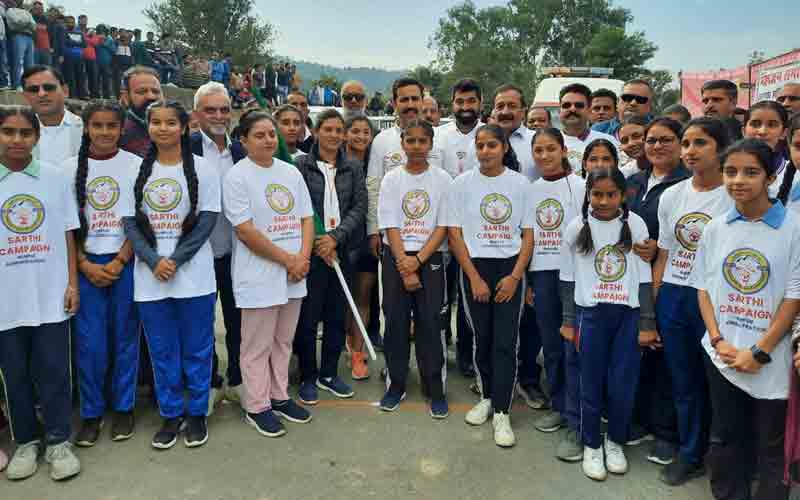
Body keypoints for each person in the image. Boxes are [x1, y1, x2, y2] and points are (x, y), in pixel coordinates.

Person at [691, 138, 800, 500]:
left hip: (771, 357)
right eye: (731, 171)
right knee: (726, 436)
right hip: (721, 355)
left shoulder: (794, 228)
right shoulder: (715, 228)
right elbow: (703, 289)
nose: (738, 180)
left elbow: (794, 296)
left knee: (771, 444)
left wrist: (760, 350)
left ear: (770, 177)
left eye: (751, 172)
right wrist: (717, 340)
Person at [121, 100, 220, 449]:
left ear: (183, 127)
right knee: (162, 351)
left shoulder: (204, 169)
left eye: (170, 123)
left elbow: (207, 221)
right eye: (156, 122)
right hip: (151, 279)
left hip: (195, 277)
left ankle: (197, 413)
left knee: (198, 348)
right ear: (148, 126)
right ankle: (171, 413)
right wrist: (153, 260)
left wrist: (175, 260)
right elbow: (129, 223)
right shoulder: (135, 170)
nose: (163, 129)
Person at [0, 105, 81, 481]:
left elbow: (67, 232)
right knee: (14, 374)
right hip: (6, 299)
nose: (17, 140)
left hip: (49, 293)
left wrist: (72, 283)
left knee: (54, 371)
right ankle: (26, 442)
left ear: (37, 137)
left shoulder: (53, 177)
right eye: (8, 132)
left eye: (25, 133)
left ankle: (59, 441)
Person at [222, 110, 314, 437]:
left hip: (294, 273)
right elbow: (245, 231)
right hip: (259, 274)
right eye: (259, 135)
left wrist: (303, 258)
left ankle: (279, 396)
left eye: (271, 134)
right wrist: (288, 260)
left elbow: (306, 218)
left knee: (283, 340)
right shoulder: (237, 176)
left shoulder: (290, 172)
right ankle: (257, 405)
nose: (268, 140)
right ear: (243, 140)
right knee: (256, 345)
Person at [561, 167, 655, 481]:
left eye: (611, 194)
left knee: (622, 384)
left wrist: (647, 322)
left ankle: (615, 441)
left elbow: (644, 278)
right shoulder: (576, 226)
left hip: (627, 317)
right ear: (588, 194)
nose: (603, 201)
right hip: (590, 316)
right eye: (597, 194)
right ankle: (591, 443)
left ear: (623, 195)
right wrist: (568, 321)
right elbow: (567, 277)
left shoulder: (635, 224)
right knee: (589, 382)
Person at [653, 117, 733, 486]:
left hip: (718, 300)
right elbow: (665, 254)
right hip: (675, 295)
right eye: (686, 143)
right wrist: (652, 308)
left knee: (720, 382)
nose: (690, 151)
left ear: (721, 148)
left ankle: (726, 454)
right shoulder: (672, 196)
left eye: (700, 143)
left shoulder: (734, 194)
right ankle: (690, 453)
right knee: (683, 380)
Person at [445, 124, 534, 447]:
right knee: (481, 338)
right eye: (480, 145)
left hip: (509, 268)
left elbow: (528, 235)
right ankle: (486, 397)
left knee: (505, 341)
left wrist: (514, 277)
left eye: (492, 145)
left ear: (504, 148)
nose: (485, 151)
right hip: (476, 268)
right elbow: (454, 234)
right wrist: (473, 277)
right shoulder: (461, 184)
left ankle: (502, 411)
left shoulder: (521, 184)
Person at [68, 100, 142, 447]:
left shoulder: (136, 165)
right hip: (85, 263)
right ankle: (91, 412)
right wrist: (83, 264)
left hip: (124, 261)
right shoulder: (67, 168)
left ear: (122, 128)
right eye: (97, 125)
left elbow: (142, 220)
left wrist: (121, 260)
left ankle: (124, 406)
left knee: (125, 337)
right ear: (86, 128)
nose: (105, 132)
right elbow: (65, 227)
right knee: (90, 344)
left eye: (112, 126)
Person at [292, 109, 367, 404]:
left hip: (342, 251)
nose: (334, 135)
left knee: (337, 316)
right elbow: (299, 208)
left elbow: (359, 207)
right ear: (316, 132)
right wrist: (318, 243)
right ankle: (308, 376)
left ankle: (329, 373)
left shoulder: (353, 167)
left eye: (339, 130)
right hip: (312, 252)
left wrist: (335, 238)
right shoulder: (300, 166)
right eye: (328, 129)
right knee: (309, 318)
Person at [626, 117, 689, 466]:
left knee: (663, 353)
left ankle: (666, 432)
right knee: (637, 351)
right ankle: (639, 418)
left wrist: (657, 250)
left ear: (680, 144)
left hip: (666, 278)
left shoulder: (686, 185)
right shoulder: (634, 181)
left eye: (666, 140)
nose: (657, 146)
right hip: (627, 280)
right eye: (652, 140)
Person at [377, 119, 450, 415]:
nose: (417, 146)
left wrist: (418, 261)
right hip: (396, 256)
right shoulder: (391, 179)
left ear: (431, 144)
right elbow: (390, 224)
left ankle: (434, 388)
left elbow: (443, 226)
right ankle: (396, 384)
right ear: (402, 144)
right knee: (395, 322)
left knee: (430, 323)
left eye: (422, 141)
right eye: (411, 141)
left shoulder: (443, 179)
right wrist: (405, 266)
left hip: (430, 256)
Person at [527, 128, 586, 461]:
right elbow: (527, 237)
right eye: (538, 150)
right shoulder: (530, 190)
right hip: (543, 274)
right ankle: (559, 406)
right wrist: (529, 281)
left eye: (551, 148)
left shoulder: (581, 186)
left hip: (576, 276)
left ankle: (579, 414)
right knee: (551, 346)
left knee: (574, 346)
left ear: (564, 150)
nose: (544, 155)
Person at [190, 82, 247, 413]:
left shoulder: (241, 151)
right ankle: (210, 382)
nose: (218, 116)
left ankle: (238, 380)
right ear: (196, 114)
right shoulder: (185, 149)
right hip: (198, 255)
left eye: (224, 109)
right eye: (210, 110)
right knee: (203, 324)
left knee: (238, 321)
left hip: (237, 253)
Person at [433, 78, 483, 377]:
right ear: (452, 104)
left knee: (467, 295)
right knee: (441, 293)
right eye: (460, 101)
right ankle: (440, 348)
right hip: (442, 226)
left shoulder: (489, 135)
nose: (465, 107)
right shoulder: (439, 136)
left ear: (480, 103)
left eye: (471, 101)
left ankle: (466, 354)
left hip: (476, 229)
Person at [343, 114, 378, 379]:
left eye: (366, 132)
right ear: (346, 134)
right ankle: (346, 342)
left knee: (363, 294)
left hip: (369, 237)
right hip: (342, 237)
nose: (361, 136)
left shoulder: (375, 163)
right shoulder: (335, 162)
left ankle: (358, 350)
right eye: (355, 131)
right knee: (343, 297)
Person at [21, 65, 84, 166]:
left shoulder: (87, 128)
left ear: (65, 91)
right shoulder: (15, 133)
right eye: (33, 89)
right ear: (25, 97)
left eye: (49, 88)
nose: (41, 94)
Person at [559, 83, 619, 175]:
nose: (572, 109)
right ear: (559, 110)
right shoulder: (549, 143)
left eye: (579, 105)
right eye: (566, 105)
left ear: (589, 110)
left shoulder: (609, 141)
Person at [743, 100, 790, 195]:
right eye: (755, 124)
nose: (762, 131)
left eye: (772, 125)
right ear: (743, 131)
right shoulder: (724, 172)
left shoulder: (796, 176)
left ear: (783, 133)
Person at [492, 83, 537, 180]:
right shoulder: (479, 144)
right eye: (500, 106)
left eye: (512, 106)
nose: (505, 112)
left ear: (523, 112)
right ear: (494, 111)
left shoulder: (537, 141)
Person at [119, 66, 162, 157]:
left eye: (155, 91)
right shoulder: (118, 135)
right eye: (141, 92)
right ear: (126, 97)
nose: (151, 96)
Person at [6, 0, 35, 89]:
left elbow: (34, 26)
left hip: (29, 37)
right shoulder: (10, 10)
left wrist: (24, 22)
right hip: (17, 35)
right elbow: (16, 21)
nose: (20, 1)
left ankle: (28, 85)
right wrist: (28, 22)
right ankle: (17, 84)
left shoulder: (27, 12)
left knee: (30, 64)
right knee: (17, 61)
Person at [60, 16, 85, 99]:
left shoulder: (79, 33)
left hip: (79, 57)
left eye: (72, 22)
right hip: (68, 57)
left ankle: (81, 95)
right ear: (66, 23)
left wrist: (72, 42)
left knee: (80, 76)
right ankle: (72, 95)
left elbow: (84, 44)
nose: (71, 24)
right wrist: (76, 42)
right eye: (69, 22)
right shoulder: (64, 31)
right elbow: (65, 42)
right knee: (70, 77)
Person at [31, 1, 51, 66]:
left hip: (46, 48)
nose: (38, 10)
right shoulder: (30, 18)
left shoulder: (47, 20)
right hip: (34, 48)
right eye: (36, 9)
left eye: (40, 9)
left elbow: (51, 34)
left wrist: (51, 47)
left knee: (46, 68)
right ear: (33, 9)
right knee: (35, 68)